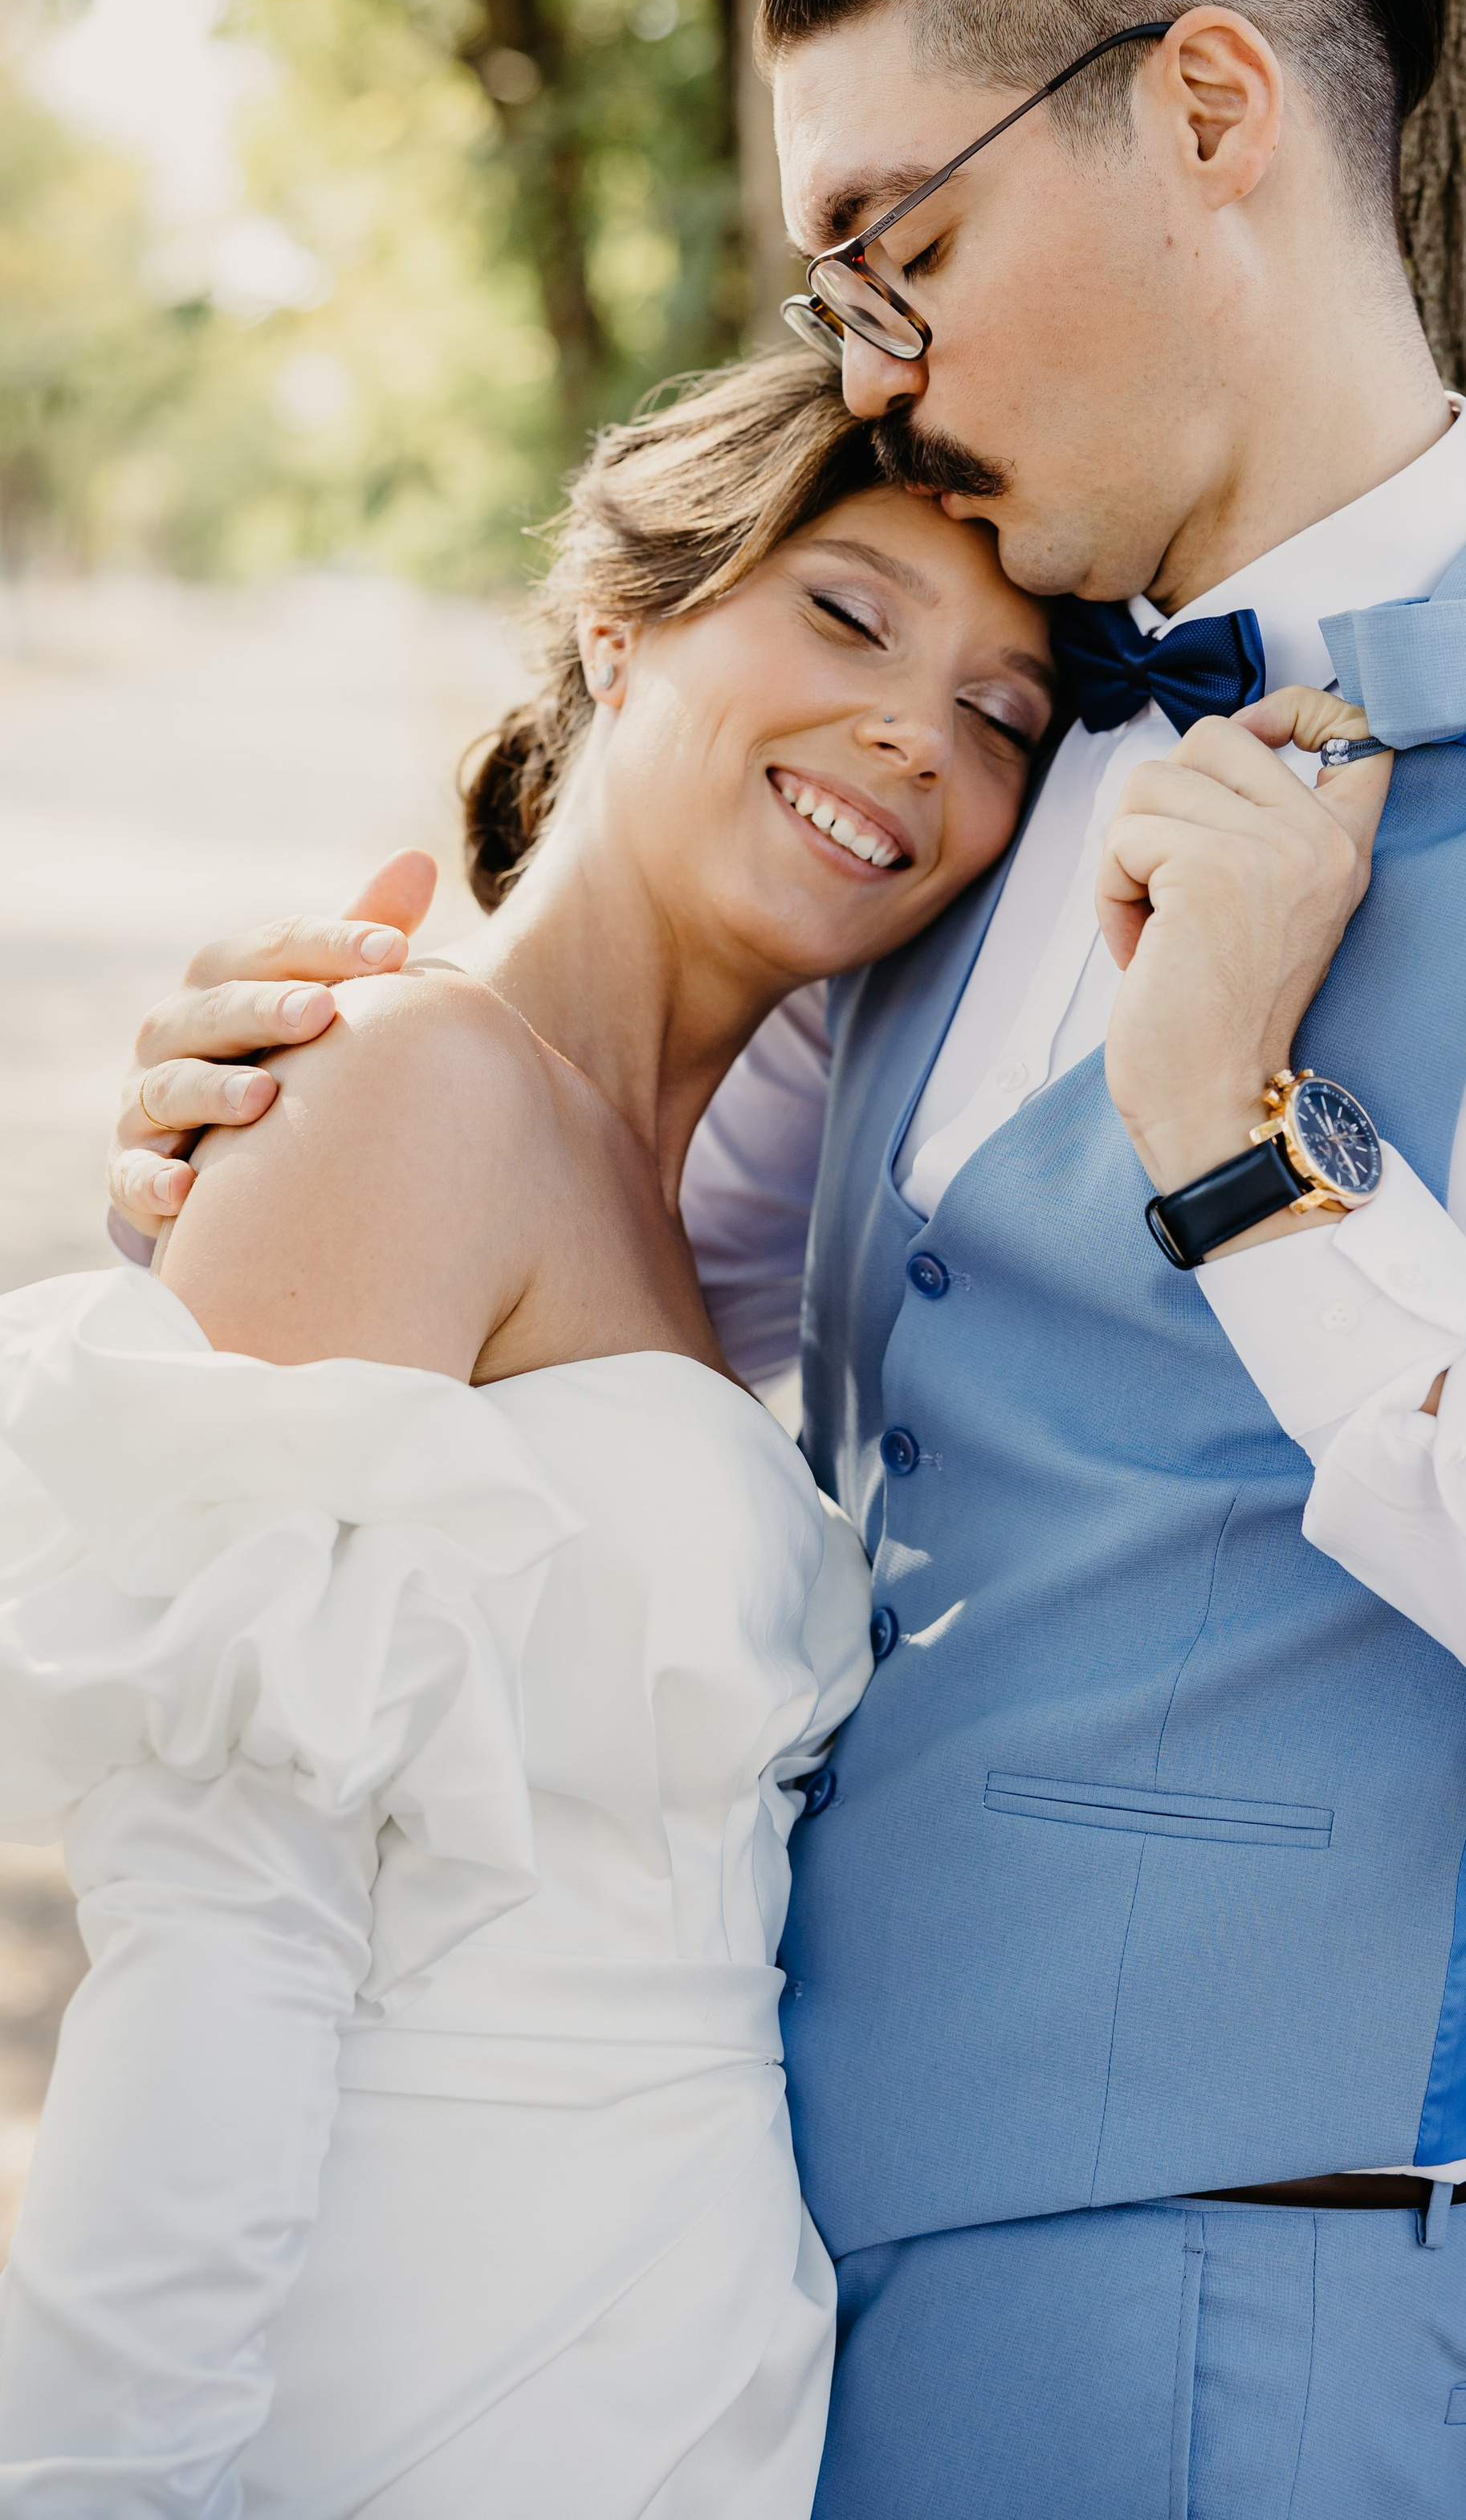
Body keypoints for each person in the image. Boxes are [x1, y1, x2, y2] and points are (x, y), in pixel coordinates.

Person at [104, 0, 1466, 2519]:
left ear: (1207, 112)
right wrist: (253, 1178)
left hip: (1228, 2351)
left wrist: (1260, 1177)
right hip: (715, 2311)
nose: (873, 360)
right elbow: (589, 1343)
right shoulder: (985, 783)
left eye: (899, 246)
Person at [0, 352, 1069, 2516]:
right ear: (627, 623)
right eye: (848, 616)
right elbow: (217, 1931)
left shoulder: (709, 1236)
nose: (911, 733)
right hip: (416, 2359)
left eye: (1002, 716)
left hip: (675, 2371)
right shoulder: (408, 1082)